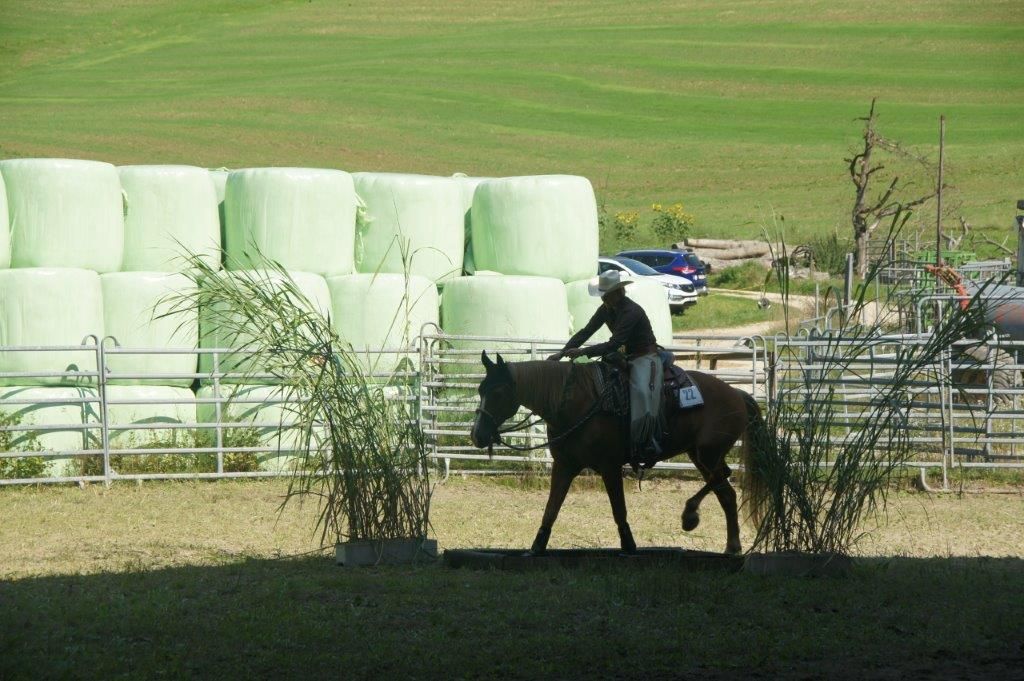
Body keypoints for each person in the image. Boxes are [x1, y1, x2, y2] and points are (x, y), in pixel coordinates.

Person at [547, 270, 663, 463]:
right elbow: (586, 331)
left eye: (606, 295)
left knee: (642, 392)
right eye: (603, 295)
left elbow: (614, 343)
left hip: (645, 356)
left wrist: (583, 352)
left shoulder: (631, 312)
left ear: (618, 293)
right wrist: (563, 352)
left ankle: (648, 440)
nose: (604, 299)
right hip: (625, 355)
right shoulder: (607, 309)